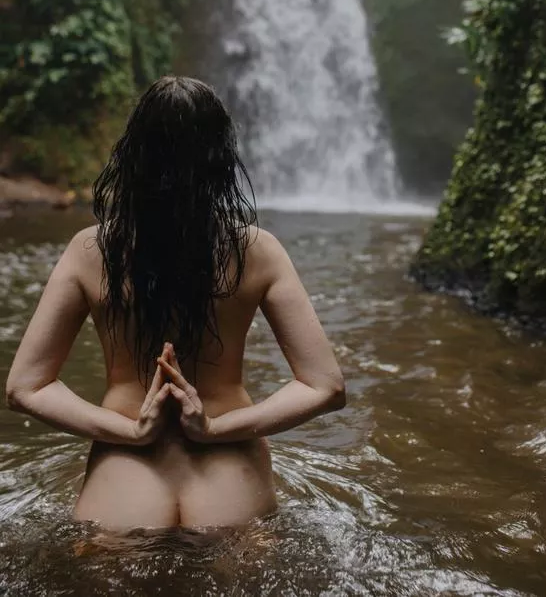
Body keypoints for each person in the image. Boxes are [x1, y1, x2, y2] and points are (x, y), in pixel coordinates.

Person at [5, 76, 345, 531]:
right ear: (222, 159)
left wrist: (131, 431)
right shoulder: (258, 250)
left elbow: (25, 387)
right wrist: (213, 430)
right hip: (230, 473)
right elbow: (326, 386)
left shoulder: (90, 251)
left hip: (125, 475)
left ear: (133, 154)